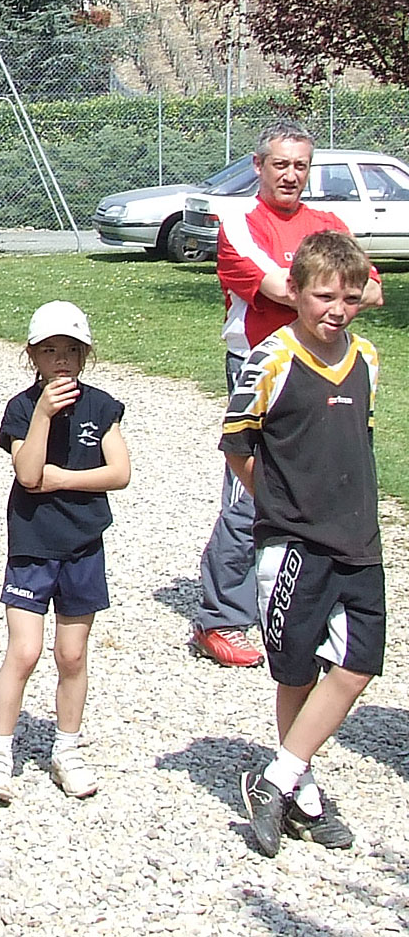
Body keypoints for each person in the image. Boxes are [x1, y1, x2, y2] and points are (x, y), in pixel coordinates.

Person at [192, 120, 383, 667]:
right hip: (266, 365)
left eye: (301, 165)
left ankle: (310, 603)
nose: (291, 175)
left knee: (325, 485)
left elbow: (371, 287)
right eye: (281, 164)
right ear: (260, 167)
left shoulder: (329, 223)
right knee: (252, 490)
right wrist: (324, 291)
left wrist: (322, 292)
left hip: (331, 365)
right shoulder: (241, 224)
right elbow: (277, 288)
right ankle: (221, 617)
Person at [223, 231, 384, 857]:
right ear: (295, 293)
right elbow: (239, 447)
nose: (335, 309)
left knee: (358, 665)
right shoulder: (272, 359)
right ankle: (305, 797)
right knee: (296, 670)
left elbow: (360, 439)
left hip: (359, 540)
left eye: (347, 296)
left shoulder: (366, 357)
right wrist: (282, 505)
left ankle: (276, 778)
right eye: (322, 295)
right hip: (293, 542)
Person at [0, 301, 130, 805]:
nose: (60, 359)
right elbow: (27, 472)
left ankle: (67, 747)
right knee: (24, 651)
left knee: (72, 654)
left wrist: (63, 481)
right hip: (33, 545)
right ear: (32, 356)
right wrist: (44, 411)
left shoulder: (102, 406)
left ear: (85, 354)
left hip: (84, 544)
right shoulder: (22, 408)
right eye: (49, 351)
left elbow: (119, 473)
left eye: (70, 350)